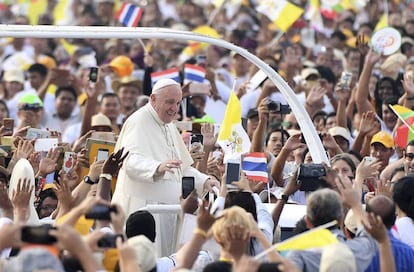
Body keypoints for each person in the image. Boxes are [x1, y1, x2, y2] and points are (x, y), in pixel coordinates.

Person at [112, 78, 218, 255]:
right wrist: (156, 167)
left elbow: (182, 168)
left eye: (178, 103)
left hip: (168, 208)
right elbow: (129, 161)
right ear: (153, 99)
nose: (174, 109)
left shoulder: (169, 125)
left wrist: (205, 180)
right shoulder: (137, 121)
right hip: (143, 207)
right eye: (169, 102)